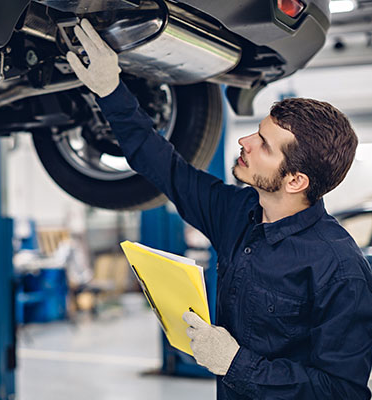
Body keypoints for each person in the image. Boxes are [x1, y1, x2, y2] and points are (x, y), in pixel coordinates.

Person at [66, 19, 372, 399]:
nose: (245, 141)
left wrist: (236, 364)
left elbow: (342, 392)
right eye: (255, 131)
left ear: (295, 181)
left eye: (263, 143)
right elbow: (165, 167)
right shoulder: (238, 212)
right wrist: (111, 92)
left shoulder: (339, 270)